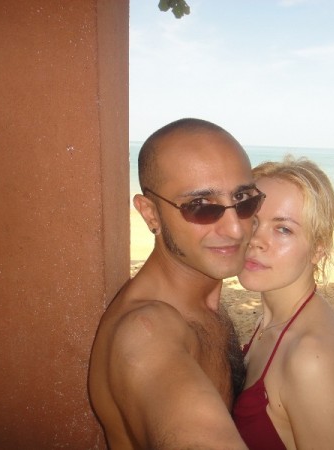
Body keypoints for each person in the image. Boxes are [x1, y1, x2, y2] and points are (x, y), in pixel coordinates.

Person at [88, 118, 265, 449]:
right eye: (201, 206)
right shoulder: (146, 332)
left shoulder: (200, 303)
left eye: (243, 198)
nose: (237, 229)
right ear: (150, 214)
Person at [233, 156, 334, 449]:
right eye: (253, 221)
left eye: (283, 229)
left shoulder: (310, 358)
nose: (256, 240)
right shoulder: (272, 321)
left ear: (318, 249)